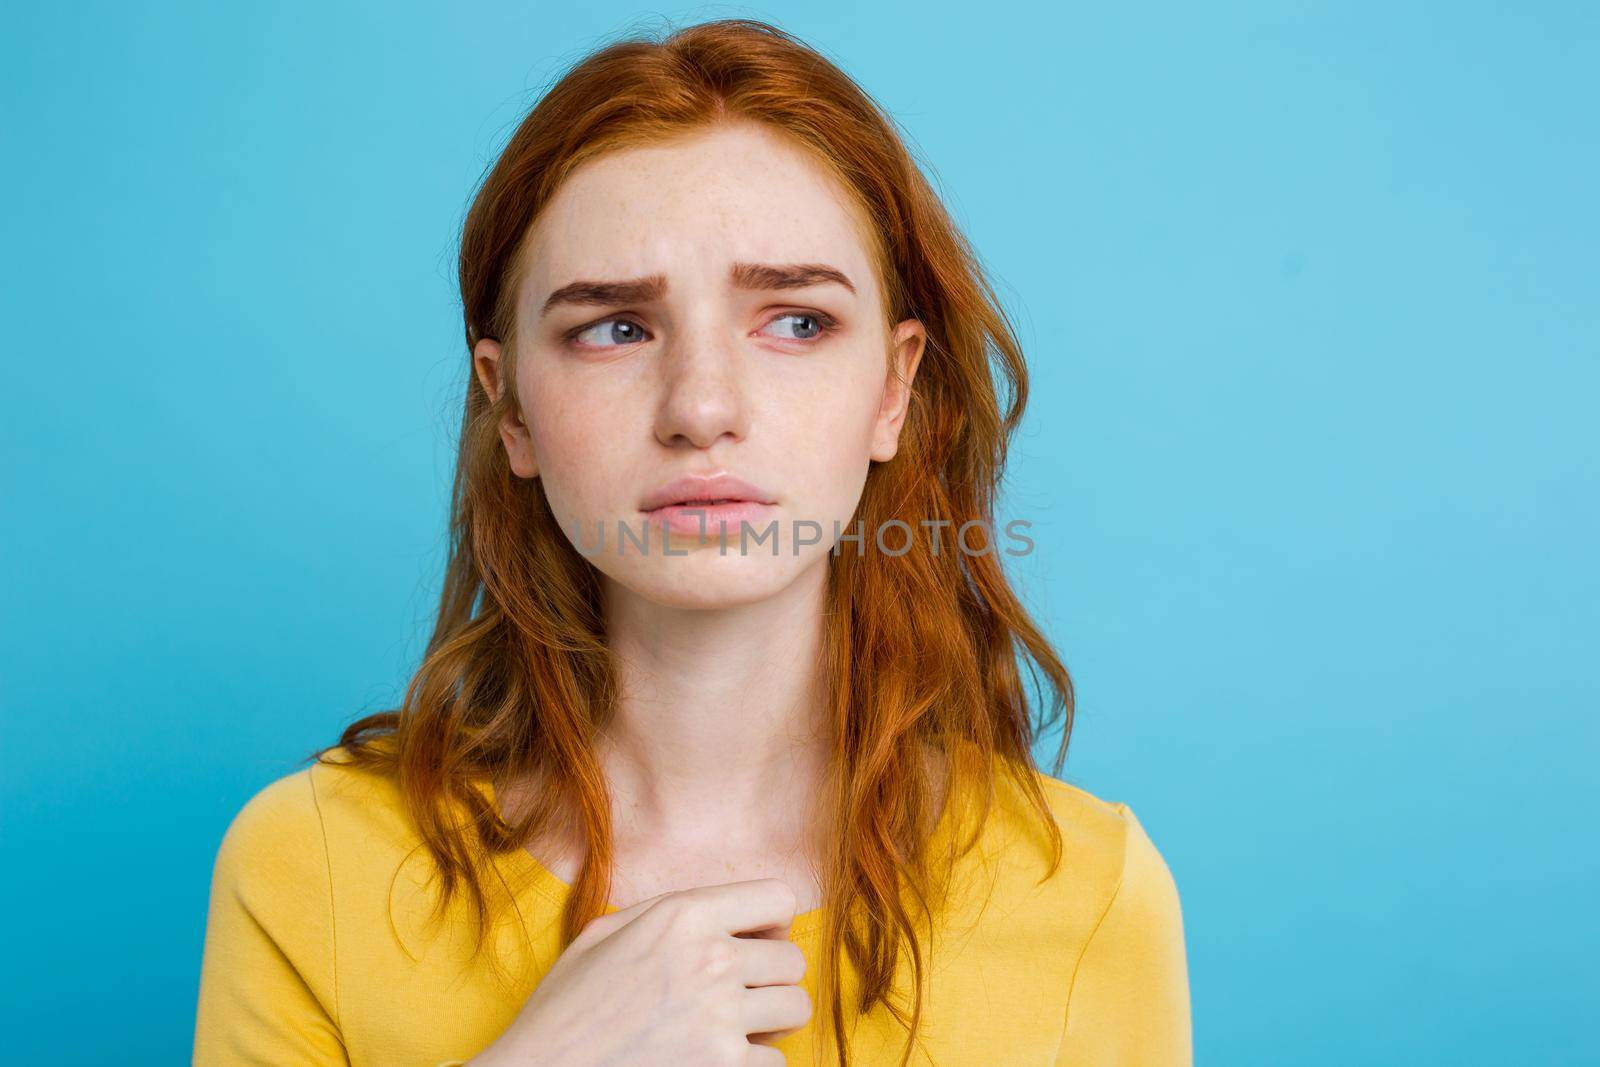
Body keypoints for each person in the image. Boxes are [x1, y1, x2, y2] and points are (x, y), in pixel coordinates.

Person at [193, 17, 1191, 1067]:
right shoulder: (312, 860)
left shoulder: (1086, 890)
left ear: (892, 390)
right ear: (513, 409)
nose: (702, 406)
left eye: (796, 321)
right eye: (615, 328)